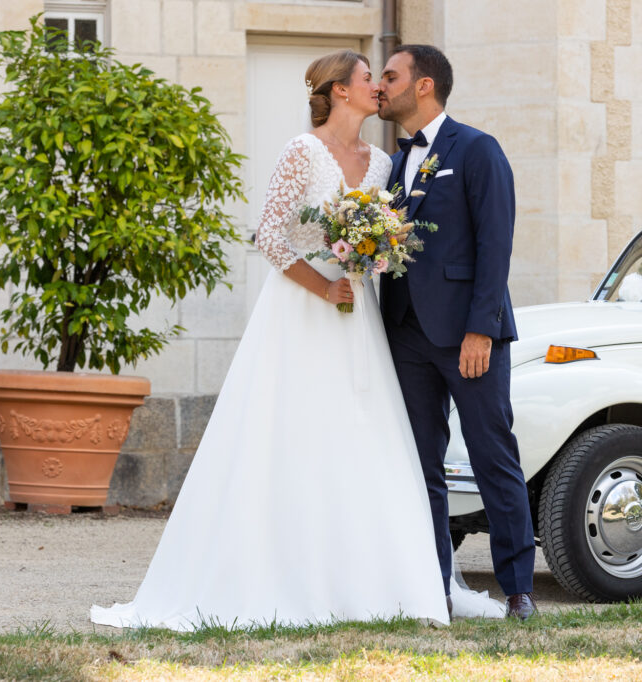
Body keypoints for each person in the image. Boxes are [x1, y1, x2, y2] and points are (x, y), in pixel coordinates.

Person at [90, 50, 450, 630]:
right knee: (289, 431)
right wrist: (322, 288)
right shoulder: (301, 151)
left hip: (357, 313)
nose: (376, 88)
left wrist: (371, 259)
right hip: (300, 311)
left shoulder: (383, 163)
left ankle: (365, 582)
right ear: (338, 91)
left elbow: (382, 237)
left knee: (358, 434)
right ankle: (276, 575)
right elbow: (271, 237)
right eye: (367, 79)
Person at [377, 45, 538, 620]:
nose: (382, 86)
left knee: (494, 456)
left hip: (469, 336)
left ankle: (519, 590)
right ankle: (434, 586)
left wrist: (481, 331)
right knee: (422, 464)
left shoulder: (477, 149)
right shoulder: (393, 164)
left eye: (390, 76)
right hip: (406, 335)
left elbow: (496, 245)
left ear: (423, 86)